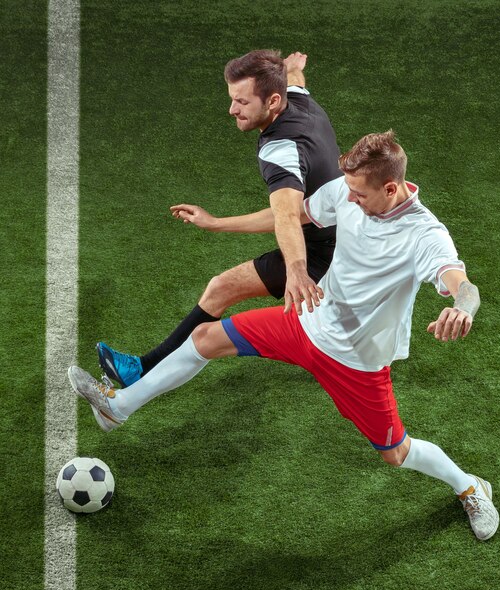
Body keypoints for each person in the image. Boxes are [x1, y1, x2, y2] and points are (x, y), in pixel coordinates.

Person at [69, 131, 499, 541]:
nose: (348, 198)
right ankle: (118, 407)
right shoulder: (349, 191)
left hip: (356, 361)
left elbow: (461, 282)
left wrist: (461, 308)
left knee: (395, 454)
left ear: (391, 188)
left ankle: (470, 488)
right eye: (348, 189)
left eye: (359, 194)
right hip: (306, 322)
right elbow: (289, 215)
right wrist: (217, 223)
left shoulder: (425, 234)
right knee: (205, 337)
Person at [97, 49, 341, 388]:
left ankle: (141, 372)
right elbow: (295, 79)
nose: (232, 110)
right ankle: (142, 368)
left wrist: (298, 271)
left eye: (242, 102)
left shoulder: (280, 150)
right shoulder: (298, 99)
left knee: (224, 292)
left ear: (271, 101)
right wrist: (291, 68)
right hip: (334, 234)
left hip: (322, 257)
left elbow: (285, 216)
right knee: (220, 286)